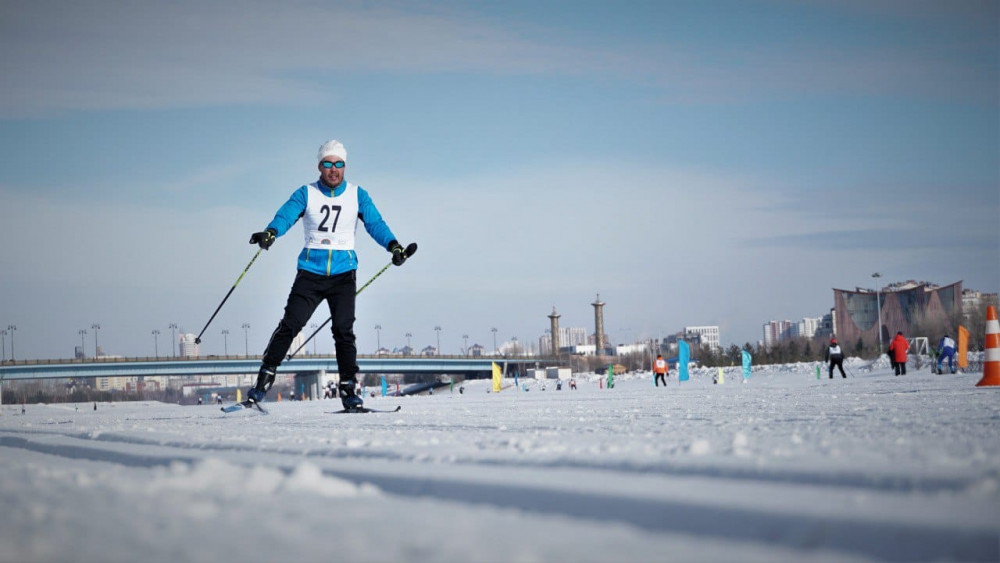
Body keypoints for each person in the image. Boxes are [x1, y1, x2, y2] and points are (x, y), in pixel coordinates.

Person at [245, 139, 413, 411]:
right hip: (310, 273)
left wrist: (393, 246)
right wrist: (270, 232)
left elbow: (375, 223)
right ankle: (262, 382)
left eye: (338, 164)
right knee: (290, 325)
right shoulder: (306, 193)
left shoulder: (358, 195)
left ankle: (349, 390)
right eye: (327, 164)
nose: (333, 169)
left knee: (343, 331)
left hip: (343, 275)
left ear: (345, 166)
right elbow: (285, 215)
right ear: (319, 166)